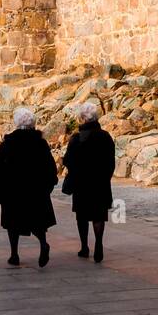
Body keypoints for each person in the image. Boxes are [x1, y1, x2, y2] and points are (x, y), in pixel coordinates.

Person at [0, 107, 57, 267]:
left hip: (12, 190)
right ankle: (43, 243)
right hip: (36, 190)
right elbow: (50, 167)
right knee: (37, 221)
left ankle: (14, 254)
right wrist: (47, 185)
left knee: (12, 223)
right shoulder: (40, 143)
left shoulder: (8, 143)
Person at [62, 101, 116, 263]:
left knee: (82, 215)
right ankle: (99, 244)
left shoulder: (76, 138)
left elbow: (68, 161)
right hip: (100, 182)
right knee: (99, 215)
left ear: (82, 118)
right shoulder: (105, 136)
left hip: (81, 183)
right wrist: (106, 176)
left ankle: (84, 246)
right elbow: (111, 161)